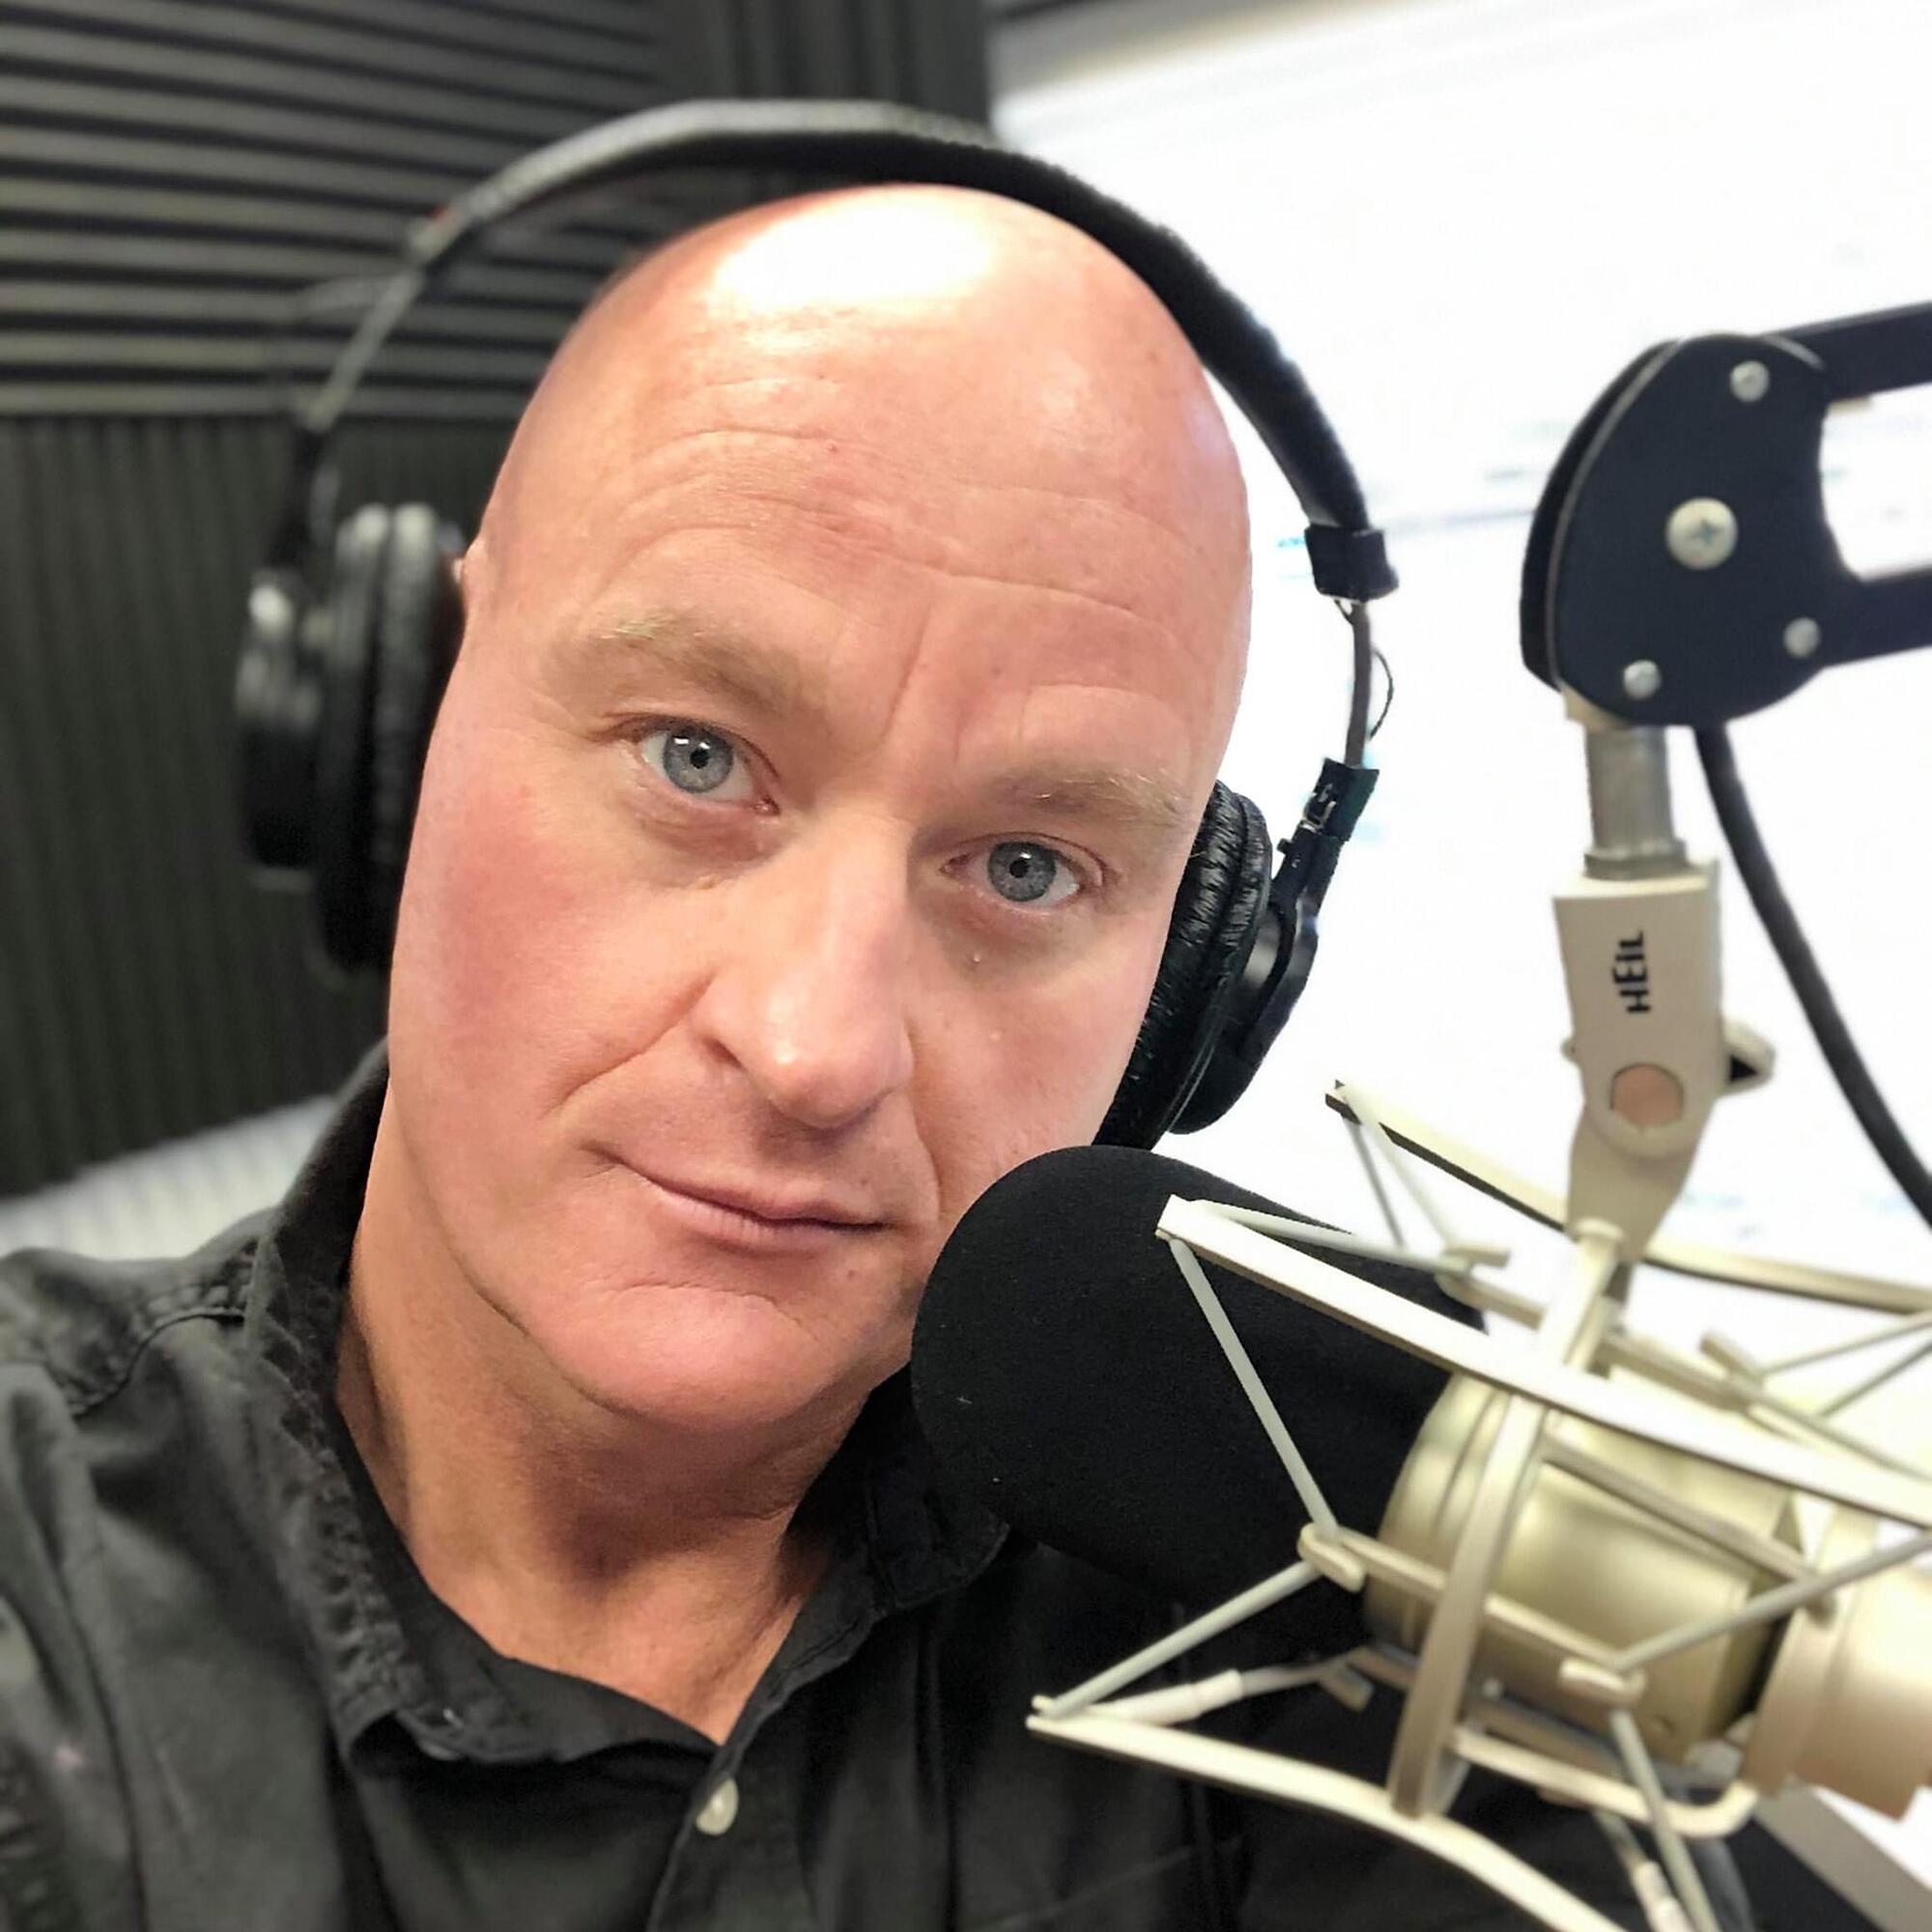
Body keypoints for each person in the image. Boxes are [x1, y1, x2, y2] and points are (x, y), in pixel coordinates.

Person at [0, 185, 1641, 1930]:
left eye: (1029, 867)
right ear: (399, 732)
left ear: (1197, 984)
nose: (812, 1051)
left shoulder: (1336, 1566)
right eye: (696, 758)